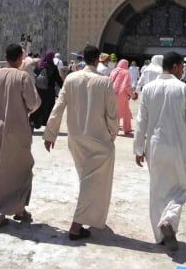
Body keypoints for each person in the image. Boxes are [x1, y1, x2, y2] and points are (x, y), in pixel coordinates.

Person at [43, 45, 118, 240]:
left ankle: (88, 218)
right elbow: (112, 113)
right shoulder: (105, 82)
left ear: (85, 59)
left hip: (75, 138)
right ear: (97, 61)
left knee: (88, 180)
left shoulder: (71, 78)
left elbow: (58, 106)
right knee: (91, 181)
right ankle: (76, 225)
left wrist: (50, 133)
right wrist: (113, 133)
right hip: (99, 139)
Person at [133, 51, 186, 252]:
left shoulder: (148, 88)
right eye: (181, 67)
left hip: (154, 147)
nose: (182, 71)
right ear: (175, 66)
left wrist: (138, 148)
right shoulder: (183, 89)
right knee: (181, 187)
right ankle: (169, 220)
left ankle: (160, 237)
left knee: (157, 190)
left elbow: (141, 122)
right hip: (178, 146)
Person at [0, 44, 41, 230]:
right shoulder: (23, 76)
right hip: (16, 129)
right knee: (21, 169)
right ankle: (19, 209)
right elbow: (33, 102)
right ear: (19, 58)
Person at [30, 51, 63, 130]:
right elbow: (58, 79)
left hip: (39, 90)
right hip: (49, 91)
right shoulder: (53, 67)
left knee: (38, 106)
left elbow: (34, 75)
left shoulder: (39, 65)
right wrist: (63, 86)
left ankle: (33, 121)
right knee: (49, 107)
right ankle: (47, 123)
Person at [109, 59, 137, 134]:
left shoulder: (113, 71)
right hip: (122, 95)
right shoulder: (126, 72)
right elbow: (127, 86)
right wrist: (133, 95)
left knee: (125, 112)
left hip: (112, 94)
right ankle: (115, 129)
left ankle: (127, 128)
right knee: (120, 113)